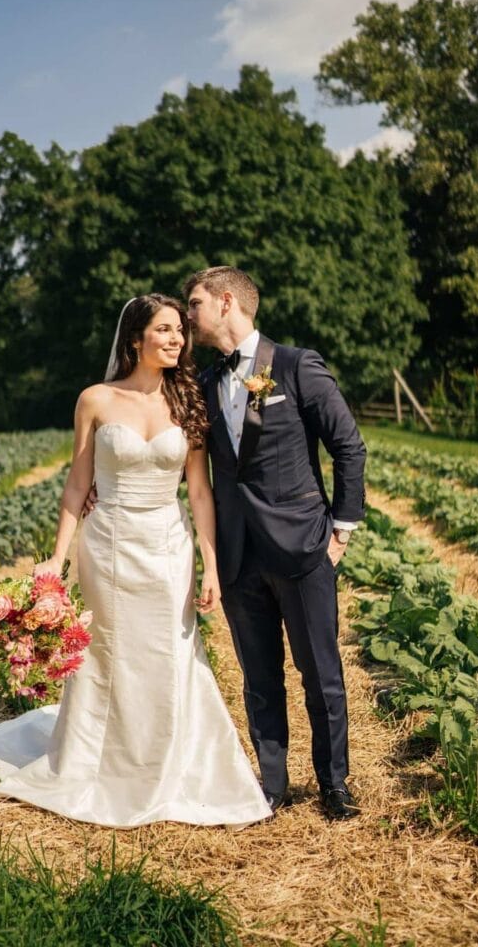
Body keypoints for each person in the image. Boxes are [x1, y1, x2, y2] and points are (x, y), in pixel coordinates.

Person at [0, 294, 272, 828]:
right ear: (135, 338)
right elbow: (77, 484)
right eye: (164, 330)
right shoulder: (95, 399)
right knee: (110, 652)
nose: (177, 339)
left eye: (180, 330)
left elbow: (199, 492)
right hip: (108, 541)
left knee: (168, 650)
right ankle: (100, 762)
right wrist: (56, 561)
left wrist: (208, 558)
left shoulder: (188, 402)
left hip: (167, 543)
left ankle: (168, 764)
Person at [182, 267, 366, 821]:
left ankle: (334, 785)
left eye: (193, 305)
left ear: (225, 301)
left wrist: (339, 534)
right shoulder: (206, 381)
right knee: (260, 679)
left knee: (321, 675)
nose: (187, 316)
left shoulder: (295, 365)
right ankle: (272, 784)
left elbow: (348, 447)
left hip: (303, 548)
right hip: (239, 557)